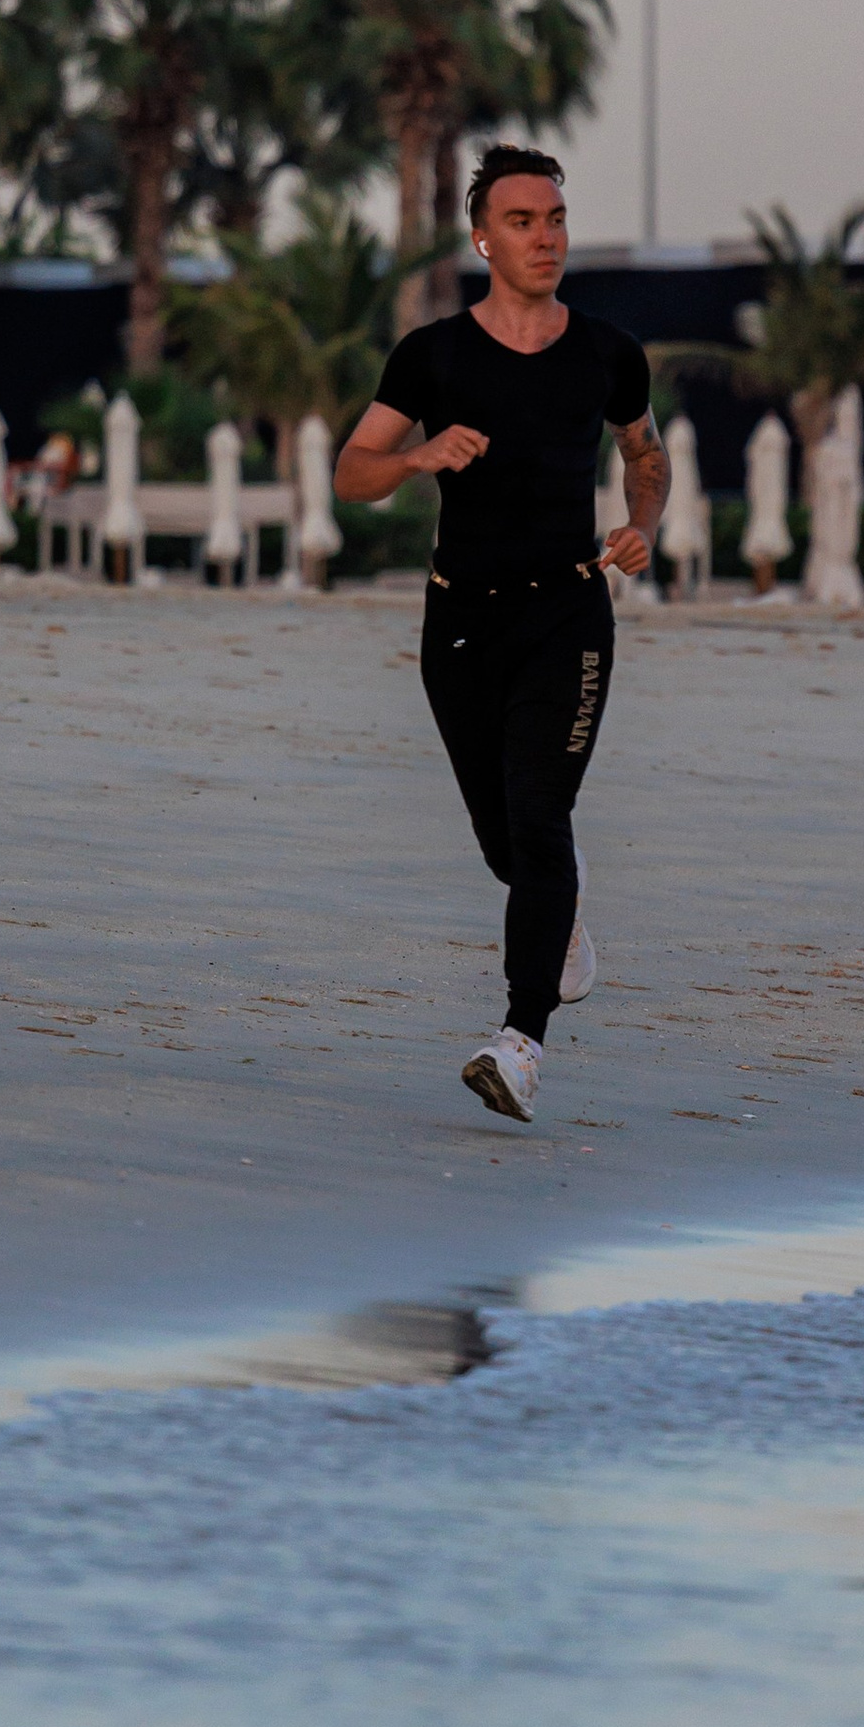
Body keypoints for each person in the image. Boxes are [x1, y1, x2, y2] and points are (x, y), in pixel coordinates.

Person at [335, 145, 668, 1124]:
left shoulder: (608, 352)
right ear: (483, 237)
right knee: (501, 840)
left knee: (538, 814)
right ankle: (555, 928)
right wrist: (418, 455)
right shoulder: (432, 355)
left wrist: (642, 527)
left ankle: (520, 1041)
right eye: (522, 221)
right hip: (460, 620)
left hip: (567, 612)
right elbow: (352, 471)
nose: (544, 236)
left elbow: (645, 456)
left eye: (556, 217)